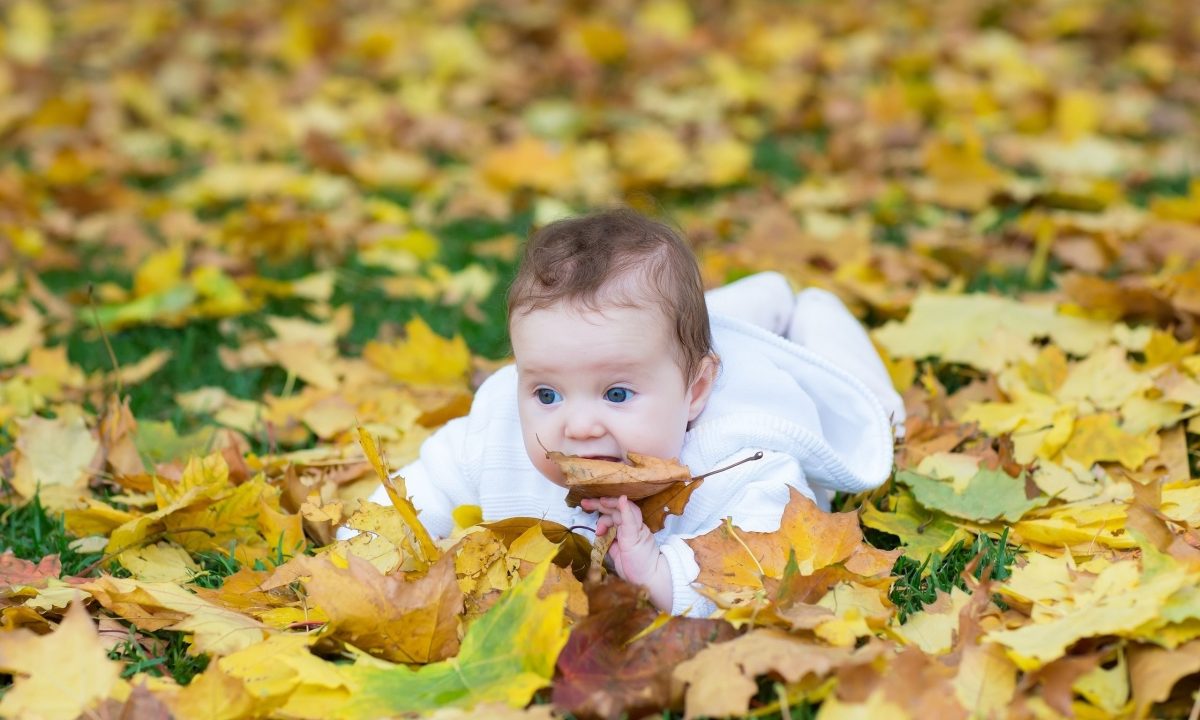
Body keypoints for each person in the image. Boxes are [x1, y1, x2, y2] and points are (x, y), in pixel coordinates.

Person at [344, 209, 904, 616]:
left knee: (876, 408)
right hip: (664, 351)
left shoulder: (741, 453)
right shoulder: (500, 430)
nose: (578, 426)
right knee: (666, 328)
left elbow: (770, 549)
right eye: (546, 394)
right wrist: (365, 550)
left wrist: (663, 577)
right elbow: (428, 484)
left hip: (766, 377)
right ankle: (754, 299)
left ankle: (803, 308)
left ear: (696, 391)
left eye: (615, 395)